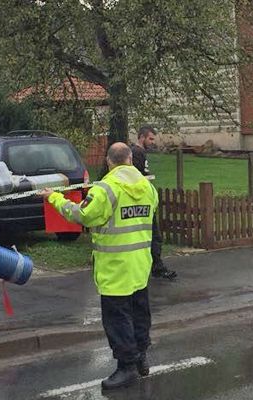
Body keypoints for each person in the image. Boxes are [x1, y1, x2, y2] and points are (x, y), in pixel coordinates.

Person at [42, 142, 159, 390]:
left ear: (109, 161)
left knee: (118, 318)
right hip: (140, 264)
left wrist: (53, 197)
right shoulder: (148, 187)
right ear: (129, 159)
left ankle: (126, 366)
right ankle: (141, 358)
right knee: (139, 313)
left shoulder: (105, 189)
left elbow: (82, 215)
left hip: (115, 267)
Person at [131, 126, 177, 280]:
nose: (152, 142)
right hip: (142, 200)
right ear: (142, 137)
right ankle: (157, 267)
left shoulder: (139, 153)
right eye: (150, 138)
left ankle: (155, 265)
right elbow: (137, 177)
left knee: (150, 235)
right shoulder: (137, 153)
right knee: (154, 235)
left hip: (143, 199)